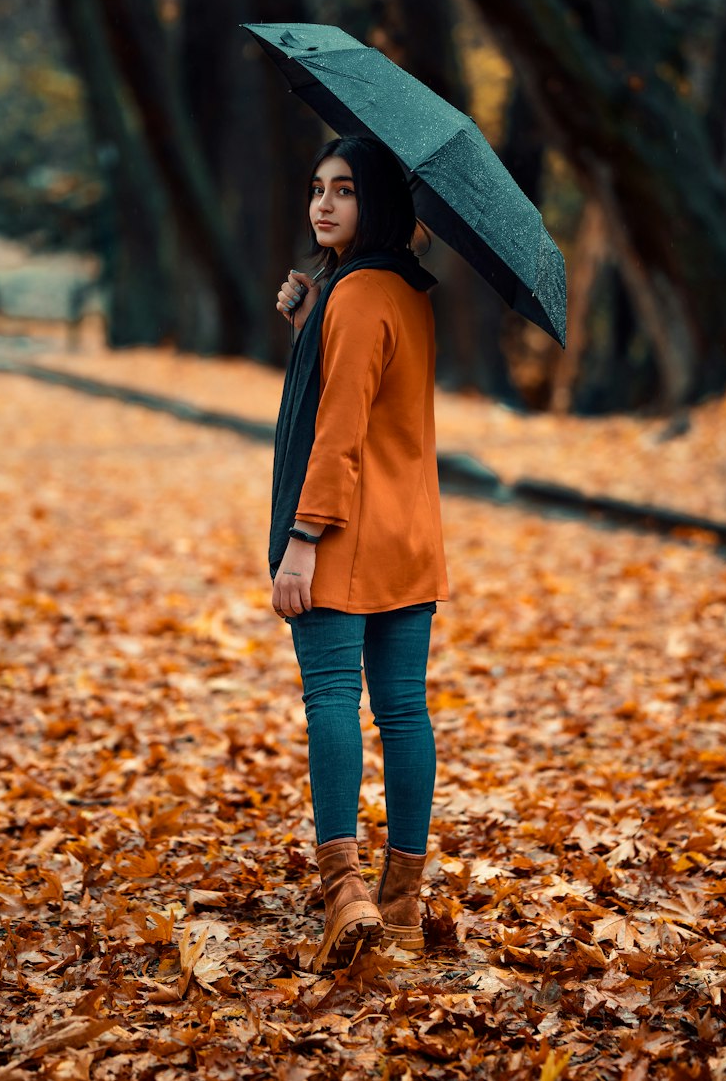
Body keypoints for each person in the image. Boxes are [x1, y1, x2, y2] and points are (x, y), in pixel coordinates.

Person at [270, 135, 449, 973]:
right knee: (404, 711)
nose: (324, 204)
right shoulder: (408, 293)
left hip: (341, 537)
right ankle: (406, 908)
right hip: (409, 538)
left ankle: (347, 894)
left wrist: (302, 542)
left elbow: (337, 432)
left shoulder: (353, 297)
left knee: (334, 701)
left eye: (345, 190)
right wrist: (311, 321)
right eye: (317, 188)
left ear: (376, 202)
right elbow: (373, 406)